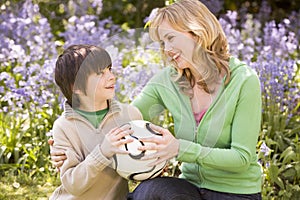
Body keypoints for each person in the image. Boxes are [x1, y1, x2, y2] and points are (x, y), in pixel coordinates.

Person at [50, 0, 263, 199]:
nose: (167, 50)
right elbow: (120, 121)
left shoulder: (243, 80)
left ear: (197, 32)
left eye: (170, 38)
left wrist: (179, 148)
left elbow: (241, 159)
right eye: (162, 42)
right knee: (148, 192)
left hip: (235, 193)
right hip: (190, 186)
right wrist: (67, 145)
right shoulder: (168, 81)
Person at [49, 44, 142, 200]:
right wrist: (103, 151)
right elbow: (73, 185)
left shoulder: (130, 115)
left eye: (109, 70)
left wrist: (155, 163)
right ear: (76, 86)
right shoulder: (64, 127)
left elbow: (140, 164)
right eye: (100, 73)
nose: (112, 77)